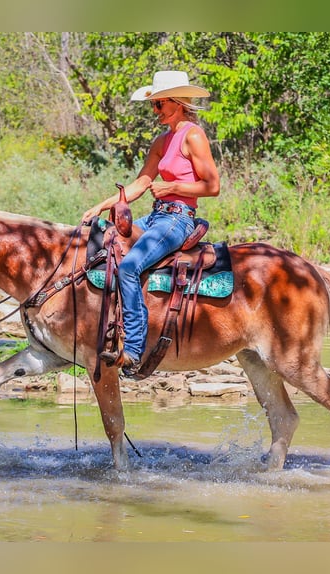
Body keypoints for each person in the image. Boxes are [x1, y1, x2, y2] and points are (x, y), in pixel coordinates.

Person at [81, 70, 220, 376]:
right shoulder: (162, 140)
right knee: (104, 244)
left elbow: (212, 186)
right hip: (157, 215)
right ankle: (104, 327)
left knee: (130, 267)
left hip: (178, 218)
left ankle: (133, 348)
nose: (154, 111)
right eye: (153, 105)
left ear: (177, 103)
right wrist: (101, 206)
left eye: (159, 104)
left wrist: (173, 188)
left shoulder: (192, 135)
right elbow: (141, 183)